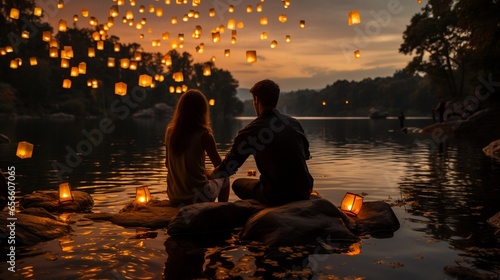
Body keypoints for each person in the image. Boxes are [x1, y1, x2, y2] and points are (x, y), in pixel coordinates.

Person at [210, 79, 314, 206]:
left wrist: (207, 173)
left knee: (238, 184)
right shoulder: (294, 123)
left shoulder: (251, 130)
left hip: (275, 194)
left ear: (256, 100)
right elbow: (306, 156)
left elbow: (227, 169)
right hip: (303, 191)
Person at [165, 89, 229, 206]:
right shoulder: (204, 135)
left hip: (174, 197)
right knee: (225, 175)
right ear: (202, 111)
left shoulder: (170, 132)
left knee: (208, 173)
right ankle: (222, 210)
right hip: (198, 197)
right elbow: (221, 168)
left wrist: (205, 173)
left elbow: (167, 164)